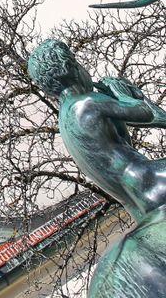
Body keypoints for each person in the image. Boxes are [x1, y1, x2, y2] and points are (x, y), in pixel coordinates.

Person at [28, 40, 166, 297]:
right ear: (72, 67)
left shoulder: (66, 120)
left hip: (137, 203)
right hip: (154, 182)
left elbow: (116, 148)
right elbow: (151, 115)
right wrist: (124, 92)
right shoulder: (87, 103)